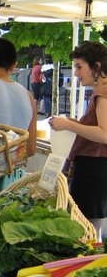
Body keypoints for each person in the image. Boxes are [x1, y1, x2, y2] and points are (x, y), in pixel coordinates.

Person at [49, 41, 107, 239]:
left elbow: (104, 134)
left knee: (86, 231)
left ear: (97, 66)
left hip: (94, 169)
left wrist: (69, 125)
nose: (76, 73)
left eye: (79, 67)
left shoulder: (102, 92)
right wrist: (74, 122)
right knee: (90, 229)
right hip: (95, 169)